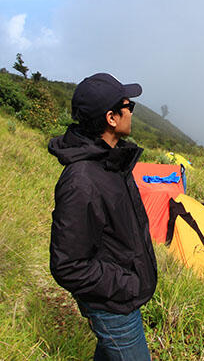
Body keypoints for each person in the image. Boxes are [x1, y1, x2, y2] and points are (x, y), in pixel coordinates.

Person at [48, 73, 157, 361]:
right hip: (114, 305)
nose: (132, 111)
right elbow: (68, 265)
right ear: (111, 118)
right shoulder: (81, 180)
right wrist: (125, 284)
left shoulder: (112, 161)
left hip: (120, 295)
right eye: (128, 106)